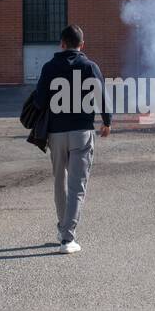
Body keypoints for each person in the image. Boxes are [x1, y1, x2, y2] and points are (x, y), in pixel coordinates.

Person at [32, 24, 112, 253]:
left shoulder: (49, 67)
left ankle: (62, 228)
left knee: (60, 181)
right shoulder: (90, 66)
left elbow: (39, 101)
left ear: (62, 43)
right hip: (81, 132)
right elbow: (101, 96)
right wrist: (106, 121)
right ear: (82, 45)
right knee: (77, 185)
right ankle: (68, 238)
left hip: (56, 133)